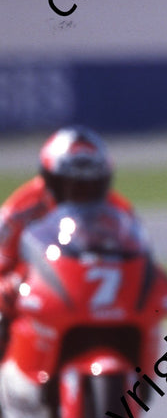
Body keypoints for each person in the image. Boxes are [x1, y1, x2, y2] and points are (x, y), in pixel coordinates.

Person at [0, 126, 136, 359]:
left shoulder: (119, 211)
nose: (81, 193)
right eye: (72, 185)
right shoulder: (19, 211)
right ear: (52, 181)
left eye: (90, 185)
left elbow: (134, 257)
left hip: (91, 297)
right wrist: (12, 287)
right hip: (33, 296)